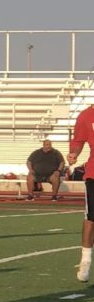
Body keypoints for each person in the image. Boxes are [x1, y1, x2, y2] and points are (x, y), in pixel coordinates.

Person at [68, 105, 94, 282]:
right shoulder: (86, 115)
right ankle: (85, 260)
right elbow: (78, 140)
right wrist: (73, 154)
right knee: (91, 217)